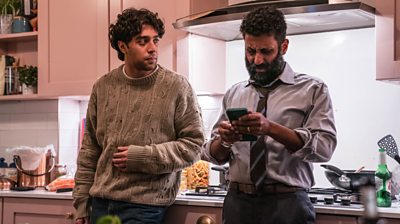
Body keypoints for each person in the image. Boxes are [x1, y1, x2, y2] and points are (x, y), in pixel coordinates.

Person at [202, 6, 337, 224]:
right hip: (238, 203)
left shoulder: (313, 89)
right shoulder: (234, 93)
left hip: (288, 203)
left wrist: (270, 128)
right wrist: (225, 141)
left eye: (266, 51)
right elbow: (215, 155)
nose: (257, 60)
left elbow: (324, 148)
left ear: (283, 46)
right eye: (250, 51)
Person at [73, 8, 204, 224]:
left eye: (155, 40)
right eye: (143, 41)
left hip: (146, 206)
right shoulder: (103, 87)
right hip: (100, 203)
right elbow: (90, 149)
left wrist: (144, 157)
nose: (153, 48)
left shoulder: (177, 86)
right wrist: (81, 203)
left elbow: (195, 145)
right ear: (123, 46)